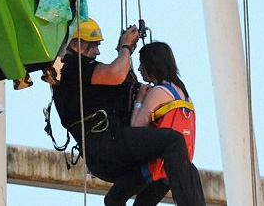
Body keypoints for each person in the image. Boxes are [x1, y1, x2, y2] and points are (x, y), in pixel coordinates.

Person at [52, 19, 205, 205]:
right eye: (94, 46)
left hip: (114, 147)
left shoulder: (88, 73)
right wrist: (125, 47)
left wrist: (124, 54)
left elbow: (121, 77)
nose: (98, 52)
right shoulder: (69, 65)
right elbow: (116, 73)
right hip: (106, 145)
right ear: (76, 44)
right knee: (173, 142)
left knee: (184, 169)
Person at [105, 41, 205, 205]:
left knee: (113, 199)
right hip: (173, 168)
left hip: (154, 166)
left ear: (151, 65)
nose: (139, 69)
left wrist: (139, 100)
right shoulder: (184, 94)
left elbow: (136, 128)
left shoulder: (159, 92)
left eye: (141, 65)